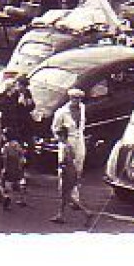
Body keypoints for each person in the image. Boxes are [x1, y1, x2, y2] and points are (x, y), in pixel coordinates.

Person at [48, 89, 87, 223]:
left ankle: (75, 198)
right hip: (67, 142)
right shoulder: (62, 112)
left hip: (79, 140)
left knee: (78, 170)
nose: (77, 101)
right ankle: (65, 198)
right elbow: (55, 129)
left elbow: (82, 125)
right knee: (64, 172)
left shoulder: (82, 108)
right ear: (70, 98)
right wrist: (63, 142)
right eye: (74, 99)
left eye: (79, 99)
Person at [0, 137, 28, 209]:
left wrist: (4, 168)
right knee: (20, 182)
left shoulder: (6, 147)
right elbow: (22, 157)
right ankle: (22, 199)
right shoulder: (18, 146)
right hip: (18, 168)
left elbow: (4, 158)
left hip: (9, 168)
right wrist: (21, 166)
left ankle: (4, 196)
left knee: (2, 182)